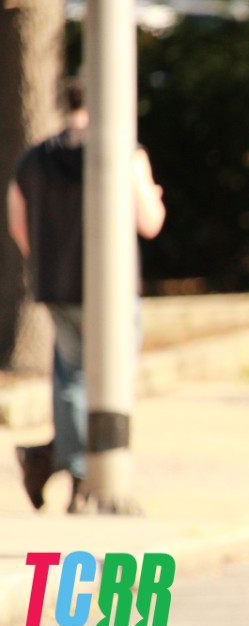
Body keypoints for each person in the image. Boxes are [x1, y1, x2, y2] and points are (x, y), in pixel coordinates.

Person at [6, 77, 166, 512]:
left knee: (73, 379)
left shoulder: (34, 157)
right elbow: (150, 221)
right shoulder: (122, 151)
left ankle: (63, 466)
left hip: (58, 286)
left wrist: (47, 258)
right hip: (112, 289)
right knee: (113, 381)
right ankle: (75, 471)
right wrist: (153, 196)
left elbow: (18, 223)